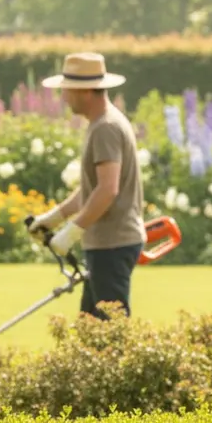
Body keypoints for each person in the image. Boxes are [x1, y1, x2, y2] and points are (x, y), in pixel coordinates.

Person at [27, 52, 146, 320]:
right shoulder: (101, 124)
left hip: (113, 243)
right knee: (90, 325)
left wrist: (71, 232)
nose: (64, 97)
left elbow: (107, 190)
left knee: (108, 328)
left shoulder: (106, 128)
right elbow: (94, 189)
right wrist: (54, 218)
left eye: (67, 91)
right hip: (106, 243)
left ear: (85, 91)